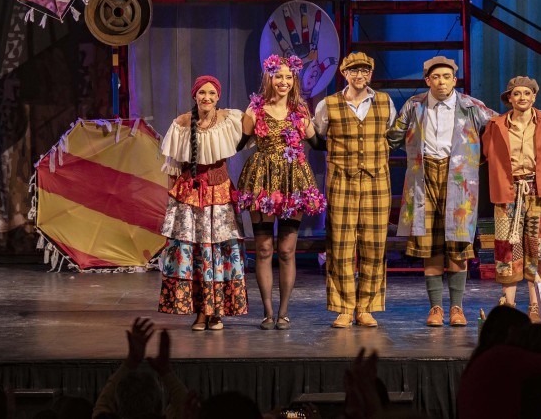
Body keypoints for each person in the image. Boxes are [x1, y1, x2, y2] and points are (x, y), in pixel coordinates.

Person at [386, 56, 495, 327]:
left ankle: (457, 308)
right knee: (430, 245)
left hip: (459, 177)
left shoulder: (471, 106)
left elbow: (502, 126)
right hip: (424, 176)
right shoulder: (414, 105)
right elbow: (392, 138)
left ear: (454, 80)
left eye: (447, 77)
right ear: (427, 81)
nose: (441, 82)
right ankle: (436, 307)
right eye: (436, 77)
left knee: (458, 245)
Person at [235, 54, 326, 330]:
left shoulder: (300, 110)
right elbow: (237, 143)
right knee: (264, 248)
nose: (284, 81)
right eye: (279, 76)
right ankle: (267, 311)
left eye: (289, 77)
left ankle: (284, 312)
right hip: (262, 180)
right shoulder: (255, 109)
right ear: (269, 78)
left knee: (286, 250)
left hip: (292, 181)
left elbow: (317, 143)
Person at [313, 51, 396, 329]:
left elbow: (391, 135)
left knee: (374, 245)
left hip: (376, 181)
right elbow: (318, 136)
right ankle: (344, 308)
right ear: (344, 73)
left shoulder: (384, 102)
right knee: (341, 246)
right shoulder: (328, 104)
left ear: (370, 74)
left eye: (364, 71)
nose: (359, 75)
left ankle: (366, 307)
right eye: (354, 71)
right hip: (342, 181)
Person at [158, 75, 248, 331]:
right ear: (194, 95)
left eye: (211, 93)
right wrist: (173, 202)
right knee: (195, 252)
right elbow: (173, 167)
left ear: (218, 97)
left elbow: (254, 125)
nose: (206, 97)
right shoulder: (181, 124)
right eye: (202, 93)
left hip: (219, 194)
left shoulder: (229, 120)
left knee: (218, 251)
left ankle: (216, 311)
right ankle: (200, 312)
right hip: (190, 195)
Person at [481, 76, 541, 323]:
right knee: (507, 247)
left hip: (539, 191)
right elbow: (484, 153)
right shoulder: (496, 125)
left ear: (534, 97)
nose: (522, 97)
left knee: (537, 246)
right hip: (508, 191)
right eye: (517, 94)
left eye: (527, 93)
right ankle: (509, 305)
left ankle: (535, 304)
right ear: (510, 98)